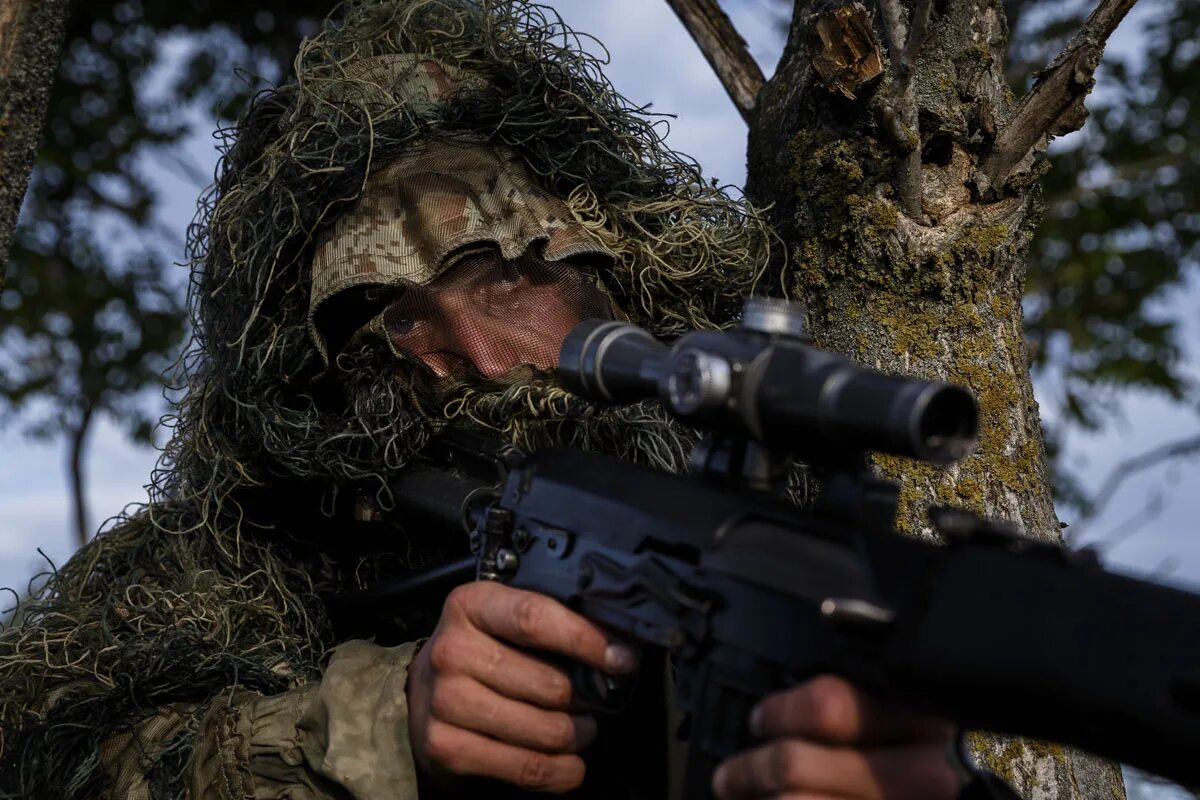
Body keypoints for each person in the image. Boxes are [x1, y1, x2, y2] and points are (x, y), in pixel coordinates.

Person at [0, 2, 973, 798]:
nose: (475, 358)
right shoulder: (233, 553)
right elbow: (59, 754)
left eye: (508, 279)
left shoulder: (781, 495)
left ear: (615, 262)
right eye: (394, 322)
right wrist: (382, 719)